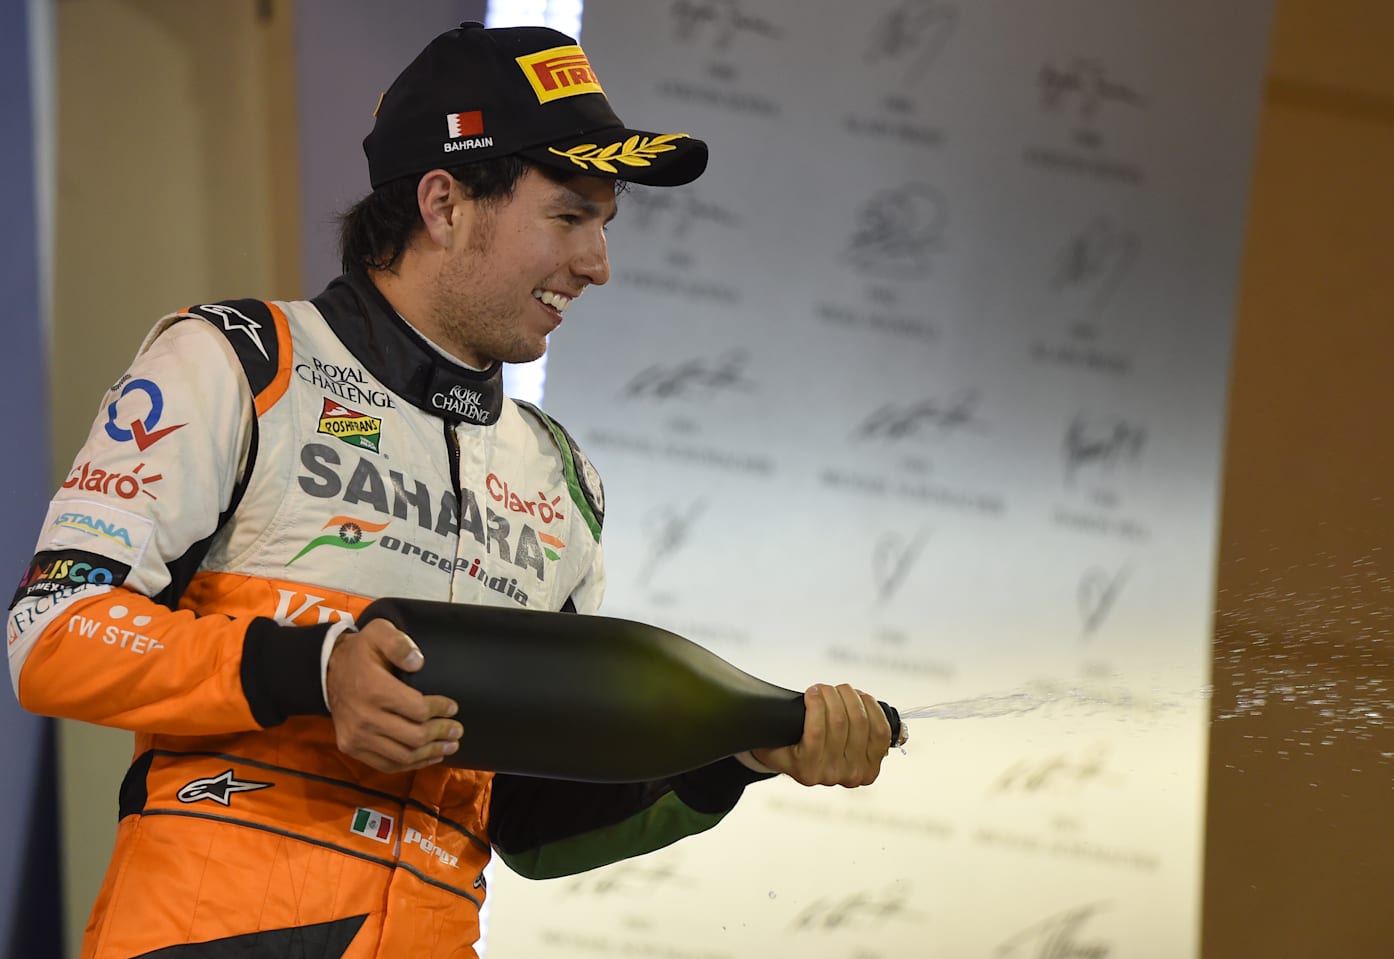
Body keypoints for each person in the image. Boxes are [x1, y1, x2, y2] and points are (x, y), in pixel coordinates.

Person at [7, 22, 895, 959]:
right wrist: (310, 669)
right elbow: (52, 632)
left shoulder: (562, 480)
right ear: (445, 203)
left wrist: (740, 754)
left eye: (606, 224)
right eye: (568, 216)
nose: (598, 264)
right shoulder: (240, 360)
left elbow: (531, 822)